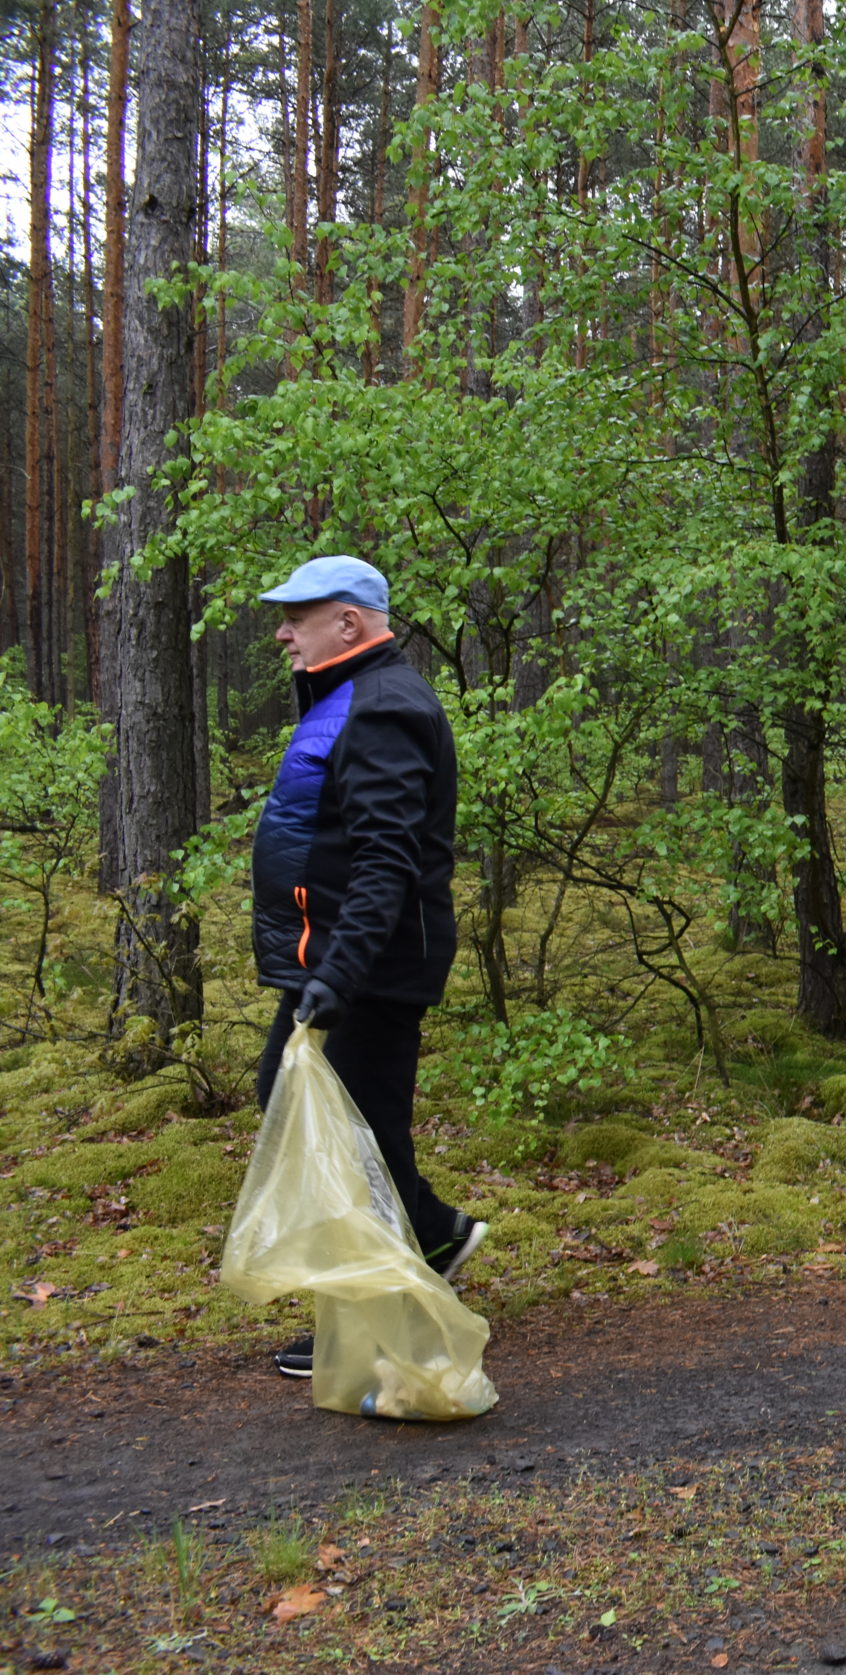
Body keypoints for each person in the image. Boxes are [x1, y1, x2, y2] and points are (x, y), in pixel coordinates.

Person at [248, 556, 482, 1380]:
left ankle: (384, 1314)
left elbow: (387, 860)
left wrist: (339, 975)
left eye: (297, 617)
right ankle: (433, 1238)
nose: (283, 633)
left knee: (360, 1136)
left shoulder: (382, 707)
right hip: (340, 958)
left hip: (370, 965)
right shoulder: (349, 696)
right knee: (310, 1108)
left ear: (348, 622)